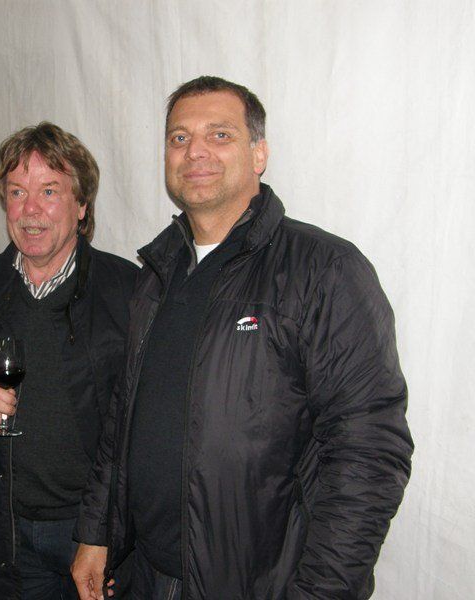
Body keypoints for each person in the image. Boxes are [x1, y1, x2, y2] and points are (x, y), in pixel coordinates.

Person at [72, 76, 414, 599]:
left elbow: (369, 453)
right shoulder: (157, 275)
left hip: (260, 585)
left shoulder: (324, 270)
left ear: (259, 154)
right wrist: (97, 532)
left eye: (220, 134)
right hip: (145, 574)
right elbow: (124, 418)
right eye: (179, 138)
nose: (195, 151)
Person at [0, 122, 137, 599]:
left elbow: (142, 424)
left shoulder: (127, 291)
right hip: (8, 525)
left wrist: (103, 531)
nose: (30, 210)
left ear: (81, 205)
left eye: (49, 191)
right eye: (16, 192)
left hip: (93, 530)